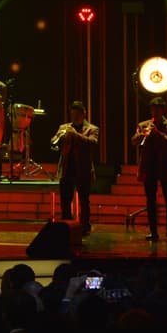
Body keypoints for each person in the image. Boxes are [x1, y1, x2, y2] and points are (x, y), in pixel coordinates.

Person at [132, 96, 167, 241]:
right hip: (149, 166)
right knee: (150, 200)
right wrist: (142, 134)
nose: (155, 112)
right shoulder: (143, 125)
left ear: (163, 110)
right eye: (153, 109)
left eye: (158, 109)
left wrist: (157, 133)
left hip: (165, 165)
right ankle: (153, 232)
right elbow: (134, 141)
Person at [52, 100, 100, 233]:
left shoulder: (92, 129)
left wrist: (76, 135)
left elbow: (93, 143)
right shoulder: (64, 127)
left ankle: (85, 226)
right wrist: (60, 138)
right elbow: (53, 141)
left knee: (85, 200)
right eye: (72, 115)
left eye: (77, 115)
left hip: (83, 169)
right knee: (65, 200)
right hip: (67, 168)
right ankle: (66, 225)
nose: (74, 118)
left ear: (83, 114)